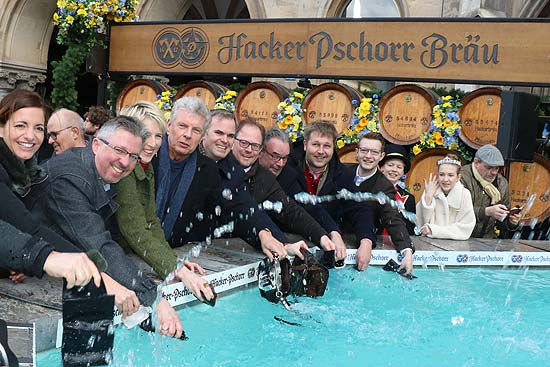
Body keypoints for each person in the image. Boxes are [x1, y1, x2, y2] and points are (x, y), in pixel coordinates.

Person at [41, 115, 184, 338]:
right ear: (96, 144)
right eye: (119, 150)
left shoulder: (99, 170)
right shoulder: (69, 177)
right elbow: (99, 243)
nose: (125, 162)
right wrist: (154, 297)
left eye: (133, 156)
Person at [114, 101, 214, 302]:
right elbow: (136, 230)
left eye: (157, 136)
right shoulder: (124, 167)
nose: (152, 143)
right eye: (145, 135)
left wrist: (173, 261)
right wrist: (176, 268)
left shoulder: (145, 165)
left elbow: (151, 222)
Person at [0, 89, 101, 289]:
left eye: (39, 128)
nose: (31, 136)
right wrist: (93, 265)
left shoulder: (28, 172)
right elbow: (29, 226)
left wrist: (18, 261)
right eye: (21, 125)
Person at [197, 108, 307, 259]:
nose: (224, 140)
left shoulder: (231, 169)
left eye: (230, 135)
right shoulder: (189, 155)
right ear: (204, 132)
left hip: (199, 250)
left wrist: (282, 243)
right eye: (219, 133)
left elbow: (246, 208)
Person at [276, 121, 377, 271]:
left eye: (327, 146)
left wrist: (366, 241)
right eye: (316, 144)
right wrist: (333, 232)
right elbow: (305, 204)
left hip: (324, 246)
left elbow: (360, 208)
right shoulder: (287, 166)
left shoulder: (341, 173)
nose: (321, 151)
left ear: (333, 148)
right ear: (305, 144)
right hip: (287, 239)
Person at [231, 119, 336, 254]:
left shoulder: (266, 178)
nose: (249, 150)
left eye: (255, 146)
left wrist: (322, 236)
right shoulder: (220, 167)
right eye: (244, 143)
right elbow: (246, 209)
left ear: (260, 150)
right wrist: (283, 242)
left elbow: (290, 211)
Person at [259, 127, 347, 261]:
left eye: (284, 158)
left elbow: (302, 209)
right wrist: (284, 242)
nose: (280, 164)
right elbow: (250, 212)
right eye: (275, 156)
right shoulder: (245, 173)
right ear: (261, 151)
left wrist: (328, 234)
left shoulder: (286, 174)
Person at [352, 133, 414, 273]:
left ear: (381, 156)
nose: (368, 156)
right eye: (364, 150)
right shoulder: (342, 172)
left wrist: (407, 251)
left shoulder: (384, 186)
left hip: (363, 247)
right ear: (357, 152)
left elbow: (392, 217)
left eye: (374, 152)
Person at [460, 144, 520, 238]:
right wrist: (486, 212)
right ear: (476, 163)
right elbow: (457, 212)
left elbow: (503, 223)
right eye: (489, 167)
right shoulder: (461, 177)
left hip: (487, 239)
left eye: (497, 168)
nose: (494, 172)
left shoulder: (501, 183)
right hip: (460, 236)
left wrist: (511, 221)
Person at [416, 154, 476, 240]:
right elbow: (420, 224)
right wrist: (428, 198)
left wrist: (435, 231)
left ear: (458, 177)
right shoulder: (430, 190)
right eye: (442, 174)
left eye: (450, 175)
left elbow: (465, 229)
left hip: (455, 248)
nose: (445, 179)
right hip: (429, 245)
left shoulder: (465, 194)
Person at [378, 143, 416, 235]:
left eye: (399, 167)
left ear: (403, 172)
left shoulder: (409, 198)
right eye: (390, 165)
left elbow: (410, 230)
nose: (394, 170)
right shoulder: (370, 191)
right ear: (381, 167)